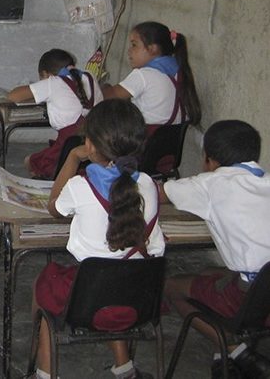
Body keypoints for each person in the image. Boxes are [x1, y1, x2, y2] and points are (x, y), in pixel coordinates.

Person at [28, 99, 165, 379]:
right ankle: (125, 367)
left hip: (86, 304)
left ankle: (44, 372)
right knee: (115, 273)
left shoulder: (80, 186)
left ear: (90, 144)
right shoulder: (148, 185)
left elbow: (54, 206)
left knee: (45, 284)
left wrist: (73, 158)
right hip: (139, 301)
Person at [161, 120, 270, 379]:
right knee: (211, 271)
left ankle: (236, 350)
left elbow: (160, 193)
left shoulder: (210, 184)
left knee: (172, 287)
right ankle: (223, 361)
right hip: (264, 290)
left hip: (248, 300)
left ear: (209, 159)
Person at [7, 48, 102, 179]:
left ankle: (47, 191)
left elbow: (13, 96)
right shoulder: (90, 77)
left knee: (30, 161)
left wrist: (41, 86)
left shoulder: (53, 82)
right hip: (98, 147)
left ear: (46, 75)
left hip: (67, 150)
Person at [102, 21, 201, 135]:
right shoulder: (179, 72)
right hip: (167, 149)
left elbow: (105, 96)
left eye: (134, 45)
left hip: (141, 146)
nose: (129, 50)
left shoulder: (144, 75)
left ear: (153, 49)